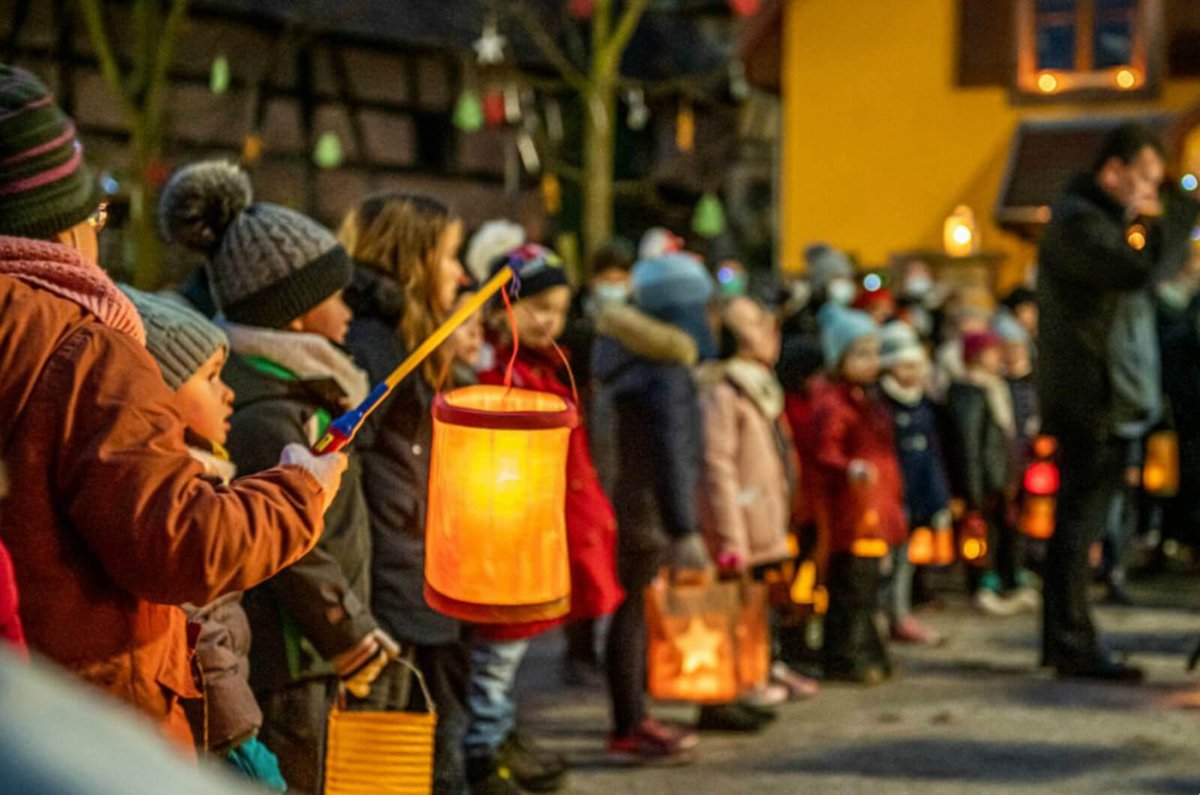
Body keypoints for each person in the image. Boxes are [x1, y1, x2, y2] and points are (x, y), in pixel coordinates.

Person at [0, 65, 343, 752]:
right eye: (96, 215)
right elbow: (181, 544)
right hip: (86, 721)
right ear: (57, 227)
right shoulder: (80, 345)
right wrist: (302, 490)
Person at [159, 160, 396, 792]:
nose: (348, 308)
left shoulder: (299, 390)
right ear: (294, 312)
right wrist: (347, 631)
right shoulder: (267, 411)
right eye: (334, 295)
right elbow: (296, 550)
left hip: (312, 647)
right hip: (290, 655)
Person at [1038, 122, 1199, 681]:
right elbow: (1135, 270)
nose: (1152, 192)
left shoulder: (1091, 219)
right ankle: (1070, 641)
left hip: (1098, 390)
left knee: (1079, 520)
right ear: (1114, 171)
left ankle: (1063, 637)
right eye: (1146, 180)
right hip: (1089, 393)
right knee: (1079, 522)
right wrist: (1159, 218)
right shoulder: (1080, 224)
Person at [465, 244, 623, 793]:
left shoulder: (547, 366)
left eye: (557, 309)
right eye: (536, 307)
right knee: (496, 649)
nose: (548, 321)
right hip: (506, 534)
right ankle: (484, 750)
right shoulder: (497, 372)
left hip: (538, 530)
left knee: (511, 647)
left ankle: (500, 734)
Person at [120, 286, 288, 789]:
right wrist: (237, 736)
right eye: (211, 377)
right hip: (200, 728)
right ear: (158, 396)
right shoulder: (179, 495)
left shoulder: (208, 473)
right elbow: (201, 623)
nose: (228, 390)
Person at [338, 193, 472, 793]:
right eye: (450, 257)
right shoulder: (374, 345)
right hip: (395, 586)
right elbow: (352, 469)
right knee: (410, 753)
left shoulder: (395, 336)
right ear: (414, 260)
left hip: (411, 571)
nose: (463, 274)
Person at [592, 252, 714, 762]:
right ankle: (630, 722)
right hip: (644, 507)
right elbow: (674, 450)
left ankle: (634, 715)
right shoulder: (665, 369)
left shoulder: (623, 356)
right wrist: (685, 526)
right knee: (632, 612)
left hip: (623, 499)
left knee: (631, 610)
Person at [698, 296, 818, 717]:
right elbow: (717, 464)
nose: (768, 328)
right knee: (735, 604)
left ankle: (761, 668)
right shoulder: (722, 389)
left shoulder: (761, 386)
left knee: (760, 600)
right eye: (752, 322)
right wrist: (730, 535)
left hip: (765, 513)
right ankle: (739, 681)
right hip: (740, 519)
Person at [812, 306, 904, 685]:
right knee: (852, 587)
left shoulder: (869, 401)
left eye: (873, 353)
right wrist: (849, 468)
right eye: (860, 354)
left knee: (866, 587)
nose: (871, 362)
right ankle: (847, 654)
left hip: (875, 506)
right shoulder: (836, 404)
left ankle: (865, 649)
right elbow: (826, 451)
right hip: (854, 512)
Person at [946, 332, 1031, 616]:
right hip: (983, 481)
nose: (999, 357)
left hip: (1000, 476)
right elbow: (969, 446)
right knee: (981, 535)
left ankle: (1006, 581)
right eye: (993, 351)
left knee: (1003, 532)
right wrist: (972, 490)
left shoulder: (996, 388)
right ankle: (983, 584)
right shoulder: (968, 393)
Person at [877, 321, 949, 645]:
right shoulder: (881, 406)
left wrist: (938, 498)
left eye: (916, 365)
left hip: (916, 494)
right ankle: (882, 615)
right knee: (883, 563)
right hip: (888, 497)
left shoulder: (924, 404)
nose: (912, 372)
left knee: (904, 562)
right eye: (905, 365)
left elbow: (933, 454)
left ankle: (900, 614)